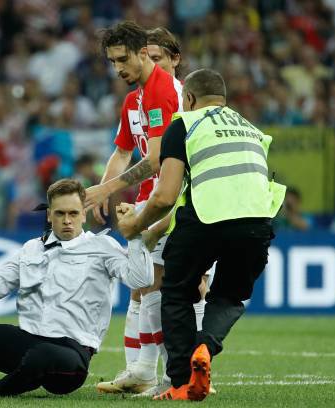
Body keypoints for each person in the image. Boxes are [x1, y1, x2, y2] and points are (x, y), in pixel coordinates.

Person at [118, 69, 285, 401]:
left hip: (207, 220)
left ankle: (181, 381)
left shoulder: (184, 124)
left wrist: (135, 226)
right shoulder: (251, 129)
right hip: (258, 223)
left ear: (190, 98)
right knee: (230, 297)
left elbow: (165, 196)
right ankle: (205, 346)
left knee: (176, 291)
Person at [0, 179, 154, 396]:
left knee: (42, 355)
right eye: (60, 213)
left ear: (84, 214)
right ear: (49, 215)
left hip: (71, 352)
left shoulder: (103, 247)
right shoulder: (31, 248)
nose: (67, 221)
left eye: (73, 213)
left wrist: (134, 236)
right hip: (27, 341)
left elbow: (142, 281)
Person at [86, 22, 183, 396]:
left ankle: (171, 373)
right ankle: (147, 371)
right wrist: (106, 189)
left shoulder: (159, 90)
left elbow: (156, 159)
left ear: (143, 53)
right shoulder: (139, 96)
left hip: (175, 197)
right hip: (155, 197)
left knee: (163, 284)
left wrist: (107, 189)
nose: (118, 68)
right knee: (145, 283)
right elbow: (124, 150)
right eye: (112, 62)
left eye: (122, 59)